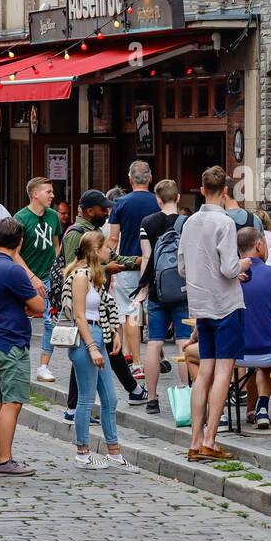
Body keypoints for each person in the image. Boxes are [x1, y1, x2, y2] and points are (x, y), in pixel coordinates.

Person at [177, 166, 250, 462]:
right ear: (226, 192)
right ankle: (210, 439)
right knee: (223, 370)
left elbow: (182, 267)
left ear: (202, 190)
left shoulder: (190, 222)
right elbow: (229, 268)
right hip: (225, 302)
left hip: (200, 303)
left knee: (204, 370)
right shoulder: (225, 222)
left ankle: (194, 440)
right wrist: (244, 265)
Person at [58, 188, 146, 420]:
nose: (107, 212)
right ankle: (75, 408)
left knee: (104, 346)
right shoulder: (76, 234)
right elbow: (74, 268)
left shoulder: (95, 231)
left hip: (98, 301)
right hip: (84, 304)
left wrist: (134, 262)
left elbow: (113, 258)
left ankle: (129, 391)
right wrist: (107, 269)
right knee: (85, 351)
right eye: (102, 208)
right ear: (89, 211)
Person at [0, 217, 44, 477]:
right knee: (12, 403)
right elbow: (38, 306)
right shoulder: (13, 270)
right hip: (10, 343)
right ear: (19, 242)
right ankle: (5, 459)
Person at [63, 229, 132, 469]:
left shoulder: (95, 275)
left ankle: (113, 451)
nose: (109, 252)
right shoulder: (80, 276)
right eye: (105, 248)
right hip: (86, 338)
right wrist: (92, 347)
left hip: (98, 334)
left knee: (110, 399)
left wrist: (113, 332)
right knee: (86, 398)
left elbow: (103, 308)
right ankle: (82, 452)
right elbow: (80, 316)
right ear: (95, 251)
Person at [135, 179, 187, 414]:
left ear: (158, 199)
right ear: (178, 198)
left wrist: (143, 287)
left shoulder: (148, 222)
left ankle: (152, 398)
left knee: (155, 342)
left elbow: (146, 258)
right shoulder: (188, 222)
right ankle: (188, 394)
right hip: (184, 290)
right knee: (184, 343)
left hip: (157, 289)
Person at [106, 160, 159, 386]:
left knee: (130, 313)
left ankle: (137, 363)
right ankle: (157, 356)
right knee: (153, 310)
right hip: (155, 265)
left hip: (128, 264)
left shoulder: (120, 203)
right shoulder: (157, 202)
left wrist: (107, 262)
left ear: (130, 179)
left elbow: (113, 238)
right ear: (150, 178)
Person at [237, 227, 271, 428]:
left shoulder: (231, 274)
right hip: (269, 352)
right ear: (259, 245)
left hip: (238, 353)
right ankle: (263, 407)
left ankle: (233, 412)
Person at [13, 177, 59, 383]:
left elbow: (56, 245)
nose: (52, 195)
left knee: (50, 321)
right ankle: (18, 362)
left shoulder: (53, 216)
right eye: (48, 191)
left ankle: (43, 365)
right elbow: (14, 253)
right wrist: (31, 277)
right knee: (21, 320)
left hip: (48, 277)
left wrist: (57, 269)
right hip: (25, 278)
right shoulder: (21, 218)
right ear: (35, 194)